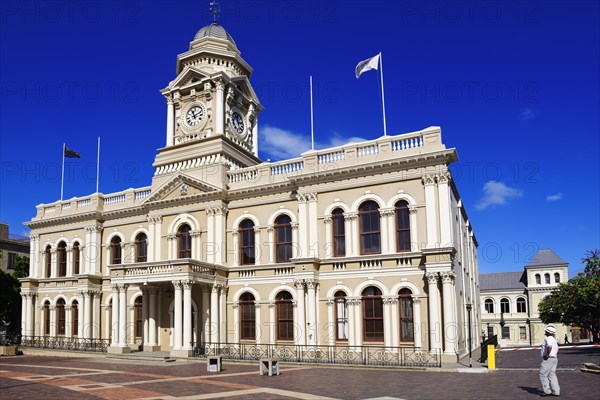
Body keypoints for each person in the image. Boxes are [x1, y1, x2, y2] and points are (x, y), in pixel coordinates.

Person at [539, 325, 560, 396]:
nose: (545, 332)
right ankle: (556, 391)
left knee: (543, 374)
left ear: (548, 332)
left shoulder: (548, 339)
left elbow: (549, 346)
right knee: (552, 374)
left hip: (549, 359)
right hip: (554, 358)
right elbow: (557, 348)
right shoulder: (554, 339)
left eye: (546, 331)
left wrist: (547, 355)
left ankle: (547, 391)